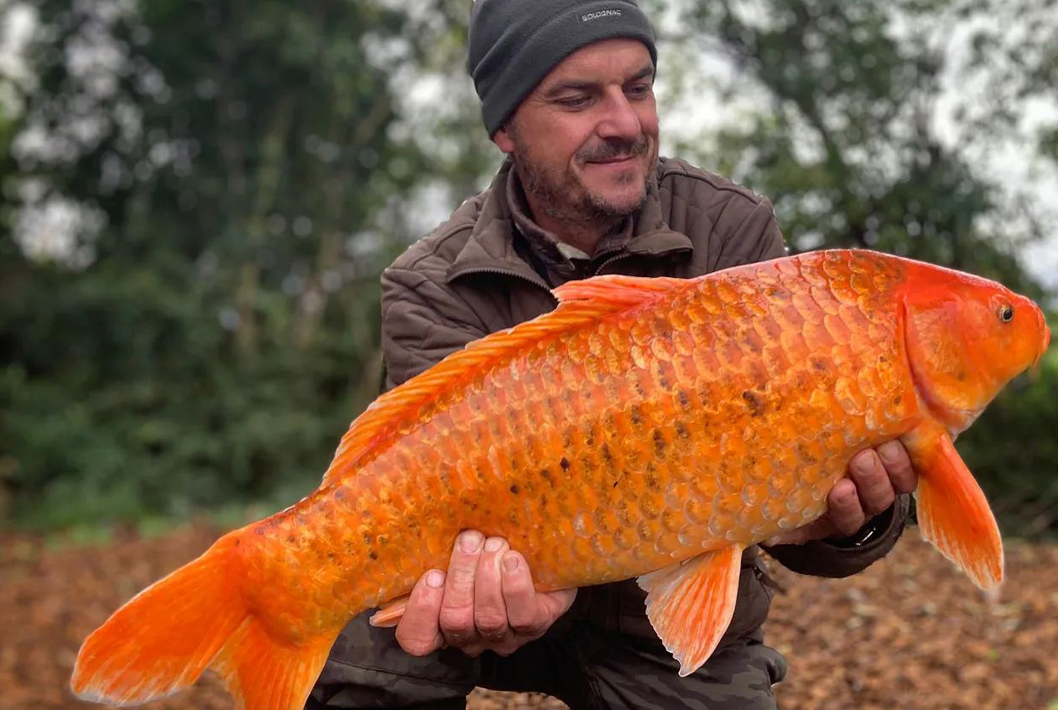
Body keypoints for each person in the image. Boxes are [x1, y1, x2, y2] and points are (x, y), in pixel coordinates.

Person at [307, 1, 916, 708]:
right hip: (484, 597)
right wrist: (482, 598)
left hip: (653, 630)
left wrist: (856, 520)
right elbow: (412, 485)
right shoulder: (429, 281)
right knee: (357, 634)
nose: (625, 123)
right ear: (505, 127)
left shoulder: (729, 229)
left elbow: (783, 508)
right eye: (577, 98)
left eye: (638, 86)